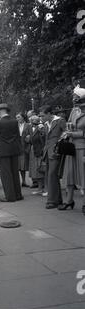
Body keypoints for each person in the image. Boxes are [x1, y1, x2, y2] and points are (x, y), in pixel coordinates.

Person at [0, 103, 23, 203]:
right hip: (14, 150)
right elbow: (17, 136)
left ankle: (10, 196)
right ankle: (18, 194)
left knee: (6, 174)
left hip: (4, 151)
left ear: (0, 112)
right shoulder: (14, 122)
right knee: (14, 173)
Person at [59, 85, 85, 214]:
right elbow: (69, 125)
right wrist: (66, 132)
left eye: (75, 97)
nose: (73, 100)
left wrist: (72, 134)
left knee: (83, 175)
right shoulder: (74, 111)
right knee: (69, 175)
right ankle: (69, 201)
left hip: (82, 147)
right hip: (71, 147)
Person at [39, 105, 66, 209]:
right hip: (48, 152)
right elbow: (45, 139)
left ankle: (52, 201)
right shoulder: (45, 124)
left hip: (56, 151)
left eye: (43, 115)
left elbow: (66, 133)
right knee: (51, 175)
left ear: (49, 113)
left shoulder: (60, 121)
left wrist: (59, 142)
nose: (41, 118)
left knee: (51, 175)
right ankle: (58, 199)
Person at [26, 116, 46, 195]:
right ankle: (40, 188)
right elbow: (29, 139)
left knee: (41, 169)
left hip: (39, 150)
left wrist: (41, 131)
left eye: (32, 121)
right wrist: (28, 139)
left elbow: (43, 138)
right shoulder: (31, 128)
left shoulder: (41, 127)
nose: (31, 123)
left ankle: (45, 189)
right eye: (31, 121)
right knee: (36, 171)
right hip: (33, 150)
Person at [16, 112, 31, 187]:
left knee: (24, 164)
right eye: (17, 117)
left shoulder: (28, 125)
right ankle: (23, 181)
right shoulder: (16, 126)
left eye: (18, 117)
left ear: (23, 117)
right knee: (20, 164)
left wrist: (28, 137)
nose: (17, 119)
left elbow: (30, 134)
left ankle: (28, 180)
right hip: (18, 146)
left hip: (25, 146)